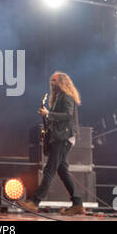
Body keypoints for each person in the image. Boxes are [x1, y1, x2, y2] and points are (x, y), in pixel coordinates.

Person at [18, 71, 86, 216]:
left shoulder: (67, 96)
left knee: (49, 170)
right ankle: (78, 203)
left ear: (62, 82)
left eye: (55, 81)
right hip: (60, 137)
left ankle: (34, 202)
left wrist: (48, 114)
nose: (52, 84)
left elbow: (67, 115)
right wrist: (46, 117)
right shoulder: (58, 97)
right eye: (51, 81)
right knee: (63, 171)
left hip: (64, 137)